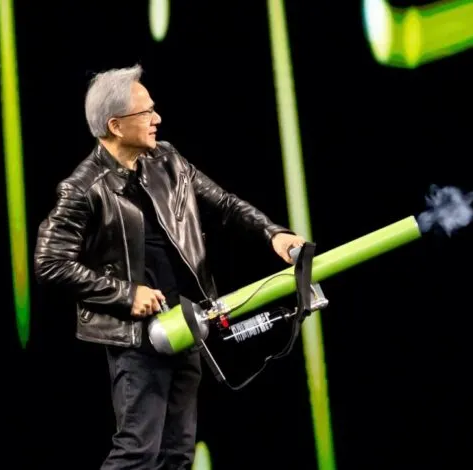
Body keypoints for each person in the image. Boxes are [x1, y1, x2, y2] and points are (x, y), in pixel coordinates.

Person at [33, 64, 306, 469]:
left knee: (178, 452)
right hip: (136, 338)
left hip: (187, 323)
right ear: (115, 125)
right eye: (146, 113)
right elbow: (49, 261)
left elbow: (225, 205)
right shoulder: (84, 188)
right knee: (137, 452)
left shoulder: (168, 161)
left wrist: (274, 234)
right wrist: (127, 294)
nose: (156, 118)